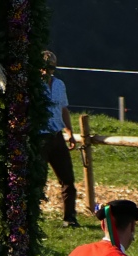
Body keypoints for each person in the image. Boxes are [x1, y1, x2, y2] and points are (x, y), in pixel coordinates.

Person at [40, 51, 79, 229]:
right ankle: (33, 217)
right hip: (39, 137)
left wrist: (69, 130)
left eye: (51, 68)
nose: (47, 71)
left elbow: (63, 109)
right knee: (38, 180)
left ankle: (70, 218)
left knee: (67, 180)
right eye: (44, 67)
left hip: (56, 136)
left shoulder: (59, 85)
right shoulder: (32, 85)